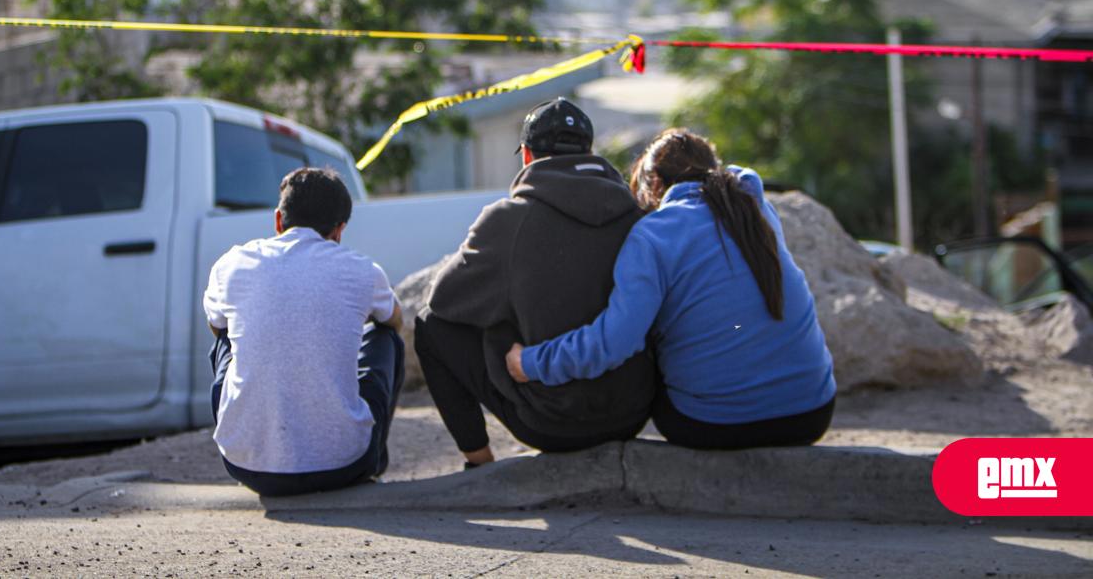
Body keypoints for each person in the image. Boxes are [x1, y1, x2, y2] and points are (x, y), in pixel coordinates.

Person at [506, 128, 836, 450]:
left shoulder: (654, 234)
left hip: (715, 424)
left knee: (644, 333)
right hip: (812, 412)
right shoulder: (756, 208)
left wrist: (531, 363)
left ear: (655, 184)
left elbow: (614, 343)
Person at [415, 98, 656, 468]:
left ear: (527, 155)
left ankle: (478, 462)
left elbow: (444, 299)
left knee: (430, 325)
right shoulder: (637, 214)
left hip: (552, 423)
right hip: (634, 413)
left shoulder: (509, 219)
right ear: (589, 152)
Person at [203, 167, 405, 496]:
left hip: (247, 466)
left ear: (278, 221)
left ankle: (253, 433)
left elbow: (216, 326)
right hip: (345, 464)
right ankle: (375, 459)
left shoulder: (231, 264)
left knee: (226, 336)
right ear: (339, 231)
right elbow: (396, 321)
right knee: (386, 337)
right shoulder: (363, 270)